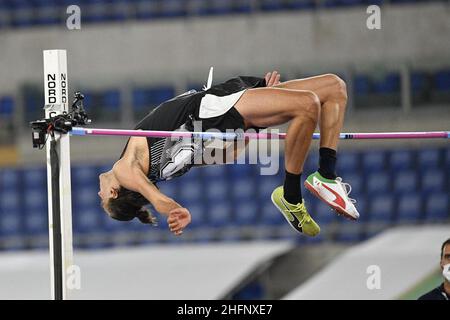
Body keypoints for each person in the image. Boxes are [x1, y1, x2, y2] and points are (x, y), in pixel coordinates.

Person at [98, 71, 359, 236]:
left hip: (222, 104)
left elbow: (226, 156)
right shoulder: (124, 169)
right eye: (102, 200)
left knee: (333, 87)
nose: (99, 193)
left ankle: (326, 173)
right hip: (216, 108)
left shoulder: (165, 168)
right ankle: (291, 195)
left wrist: (254, 125)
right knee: (308, 105)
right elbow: (157, 200)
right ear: (113, 193)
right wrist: (177, 210)